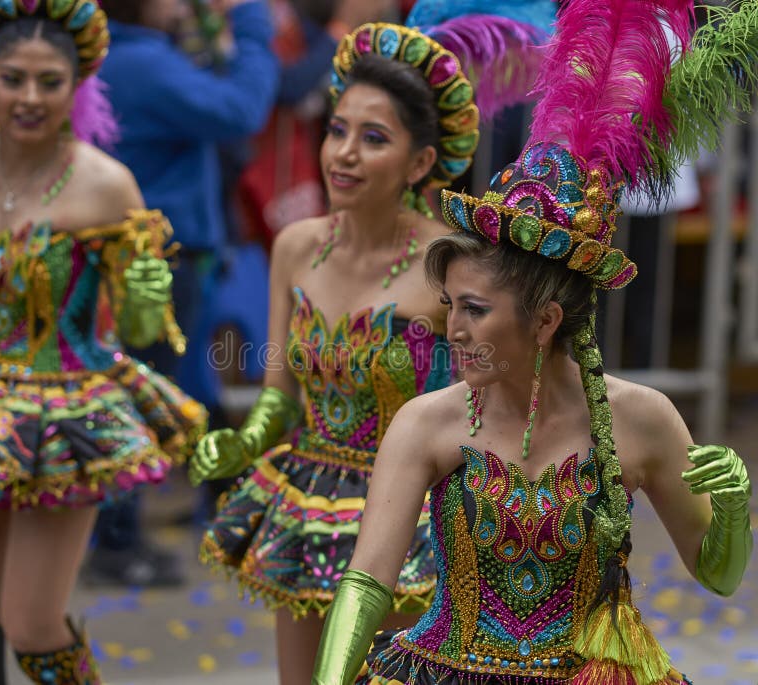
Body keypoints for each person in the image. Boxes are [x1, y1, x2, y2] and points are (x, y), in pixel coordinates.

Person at [311, 1, 756, 684]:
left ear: (546, 321)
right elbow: (369, 580)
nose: (451, 328)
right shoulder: (427, 422)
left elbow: (720, 576)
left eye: (476, 310)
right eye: (450, 306)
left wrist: (730, 509)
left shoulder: (641, 418)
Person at [189, 4, 555, 683]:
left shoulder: (451, 265)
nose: (345, 153)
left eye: (373, 138)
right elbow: (279, 393)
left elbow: (499, 404)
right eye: (337, 130)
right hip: (307, 501)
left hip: (412, 515)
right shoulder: (296, 247)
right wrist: (243, 442)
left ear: (420, 161)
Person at [0, 1, 207, 682]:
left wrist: (148, 285)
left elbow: (141, 326)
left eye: (49, 82)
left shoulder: (106, 184)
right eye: (13, 79)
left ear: (78, 85)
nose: (29, 98)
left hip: (64, 419)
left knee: (33, 624)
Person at [83, 0, 279, 587]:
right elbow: (242, 110)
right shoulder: (142, 63)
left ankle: (127, 536)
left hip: (163, 258)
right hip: (158, 264)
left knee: (158, 392)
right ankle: (116, 544)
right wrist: (250, 20)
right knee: (141, 399)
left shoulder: (131, 58)